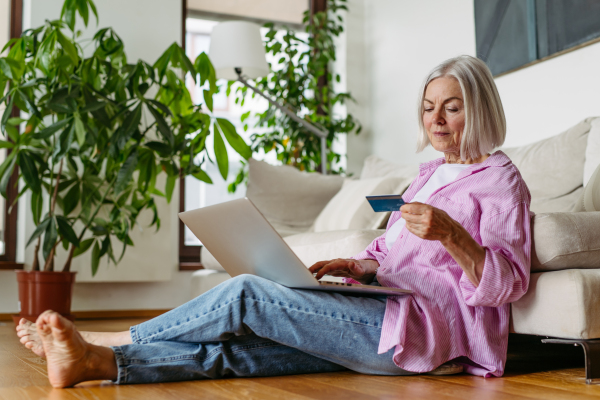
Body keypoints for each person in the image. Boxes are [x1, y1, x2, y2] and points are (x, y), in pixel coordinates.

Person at [16, 55, 531, 388]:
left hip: (425, 332)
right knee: (245, 351)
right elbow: (393, 254)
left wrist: (452, 234)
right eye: (428, 108)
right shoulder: (427, 176)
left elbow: (508, 284)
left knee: (246, 294)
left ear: (480, 108)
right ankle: (94, 365)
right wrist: (357, 265)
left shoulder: (501, 183)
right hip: (386, 310)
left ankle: (115, 340)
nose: (436, 120)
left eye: (452, 108)